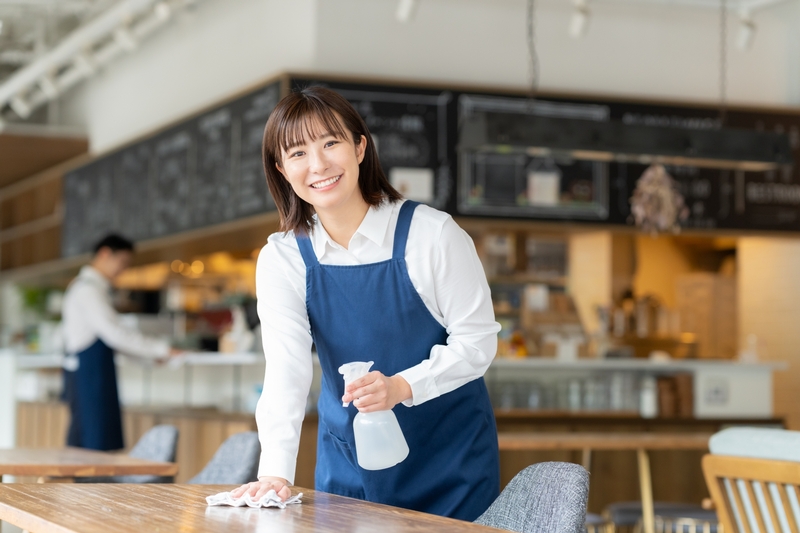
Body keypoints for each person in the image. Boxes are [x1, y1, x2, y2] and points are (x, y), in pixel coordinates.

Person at [232, 87, 501, 521]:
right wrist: (274, 473)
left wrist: (400, 387)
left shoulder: (432, 235)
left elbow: (477, 344)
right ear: (282, 169)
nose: (318, 165)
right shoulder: (282, 257)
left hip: (449, 462)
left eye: (331, 143)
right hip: (349, 464)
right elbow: (287, 371)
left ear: (360, 147)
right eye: (298, 153)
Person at [62, 234, 176, 451]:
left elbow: (111, 340)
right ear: (105, 253)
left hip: (91, 373)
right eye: (122, 262)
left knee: (91, 443)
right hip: (90, 376)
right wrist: (162, 349)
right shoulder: (88, 289)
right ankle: (90, 487)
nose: (122, 270)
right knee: (94, 445)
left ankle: (88, 486)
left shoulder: (88, 287)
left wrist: (150, 359)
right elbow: (115, 333)